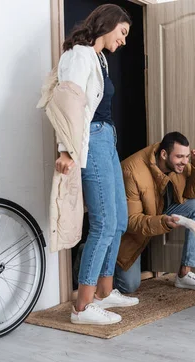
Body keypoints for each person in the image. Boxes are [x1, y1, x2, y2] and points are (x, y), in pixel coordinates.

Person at [52, 4, 139, 325]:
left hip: (106, 138)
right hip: (91, 137)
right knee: (103, 223)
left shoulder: (99, 57)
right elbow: (68, 102)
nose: (124, 40)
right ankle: (82, 308)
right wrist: (66, 150)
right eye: (123, 32)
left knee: (118, 220)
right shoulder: (78, 55)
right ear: (109, 24)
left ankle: (104, 291)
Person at [114, 132, 195, 293]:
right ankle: (90, 254)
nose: (184, 161)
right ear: (164, 154)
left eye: (187, 157)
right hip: (131, 231)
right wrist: (162, 222)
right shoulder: (131, 171)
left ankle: (184, 274)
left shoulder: (179, 163)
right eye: (180, 157)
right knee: (128, 286)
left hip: (161, 210)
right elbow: (130, 221)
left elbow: (192, 193)